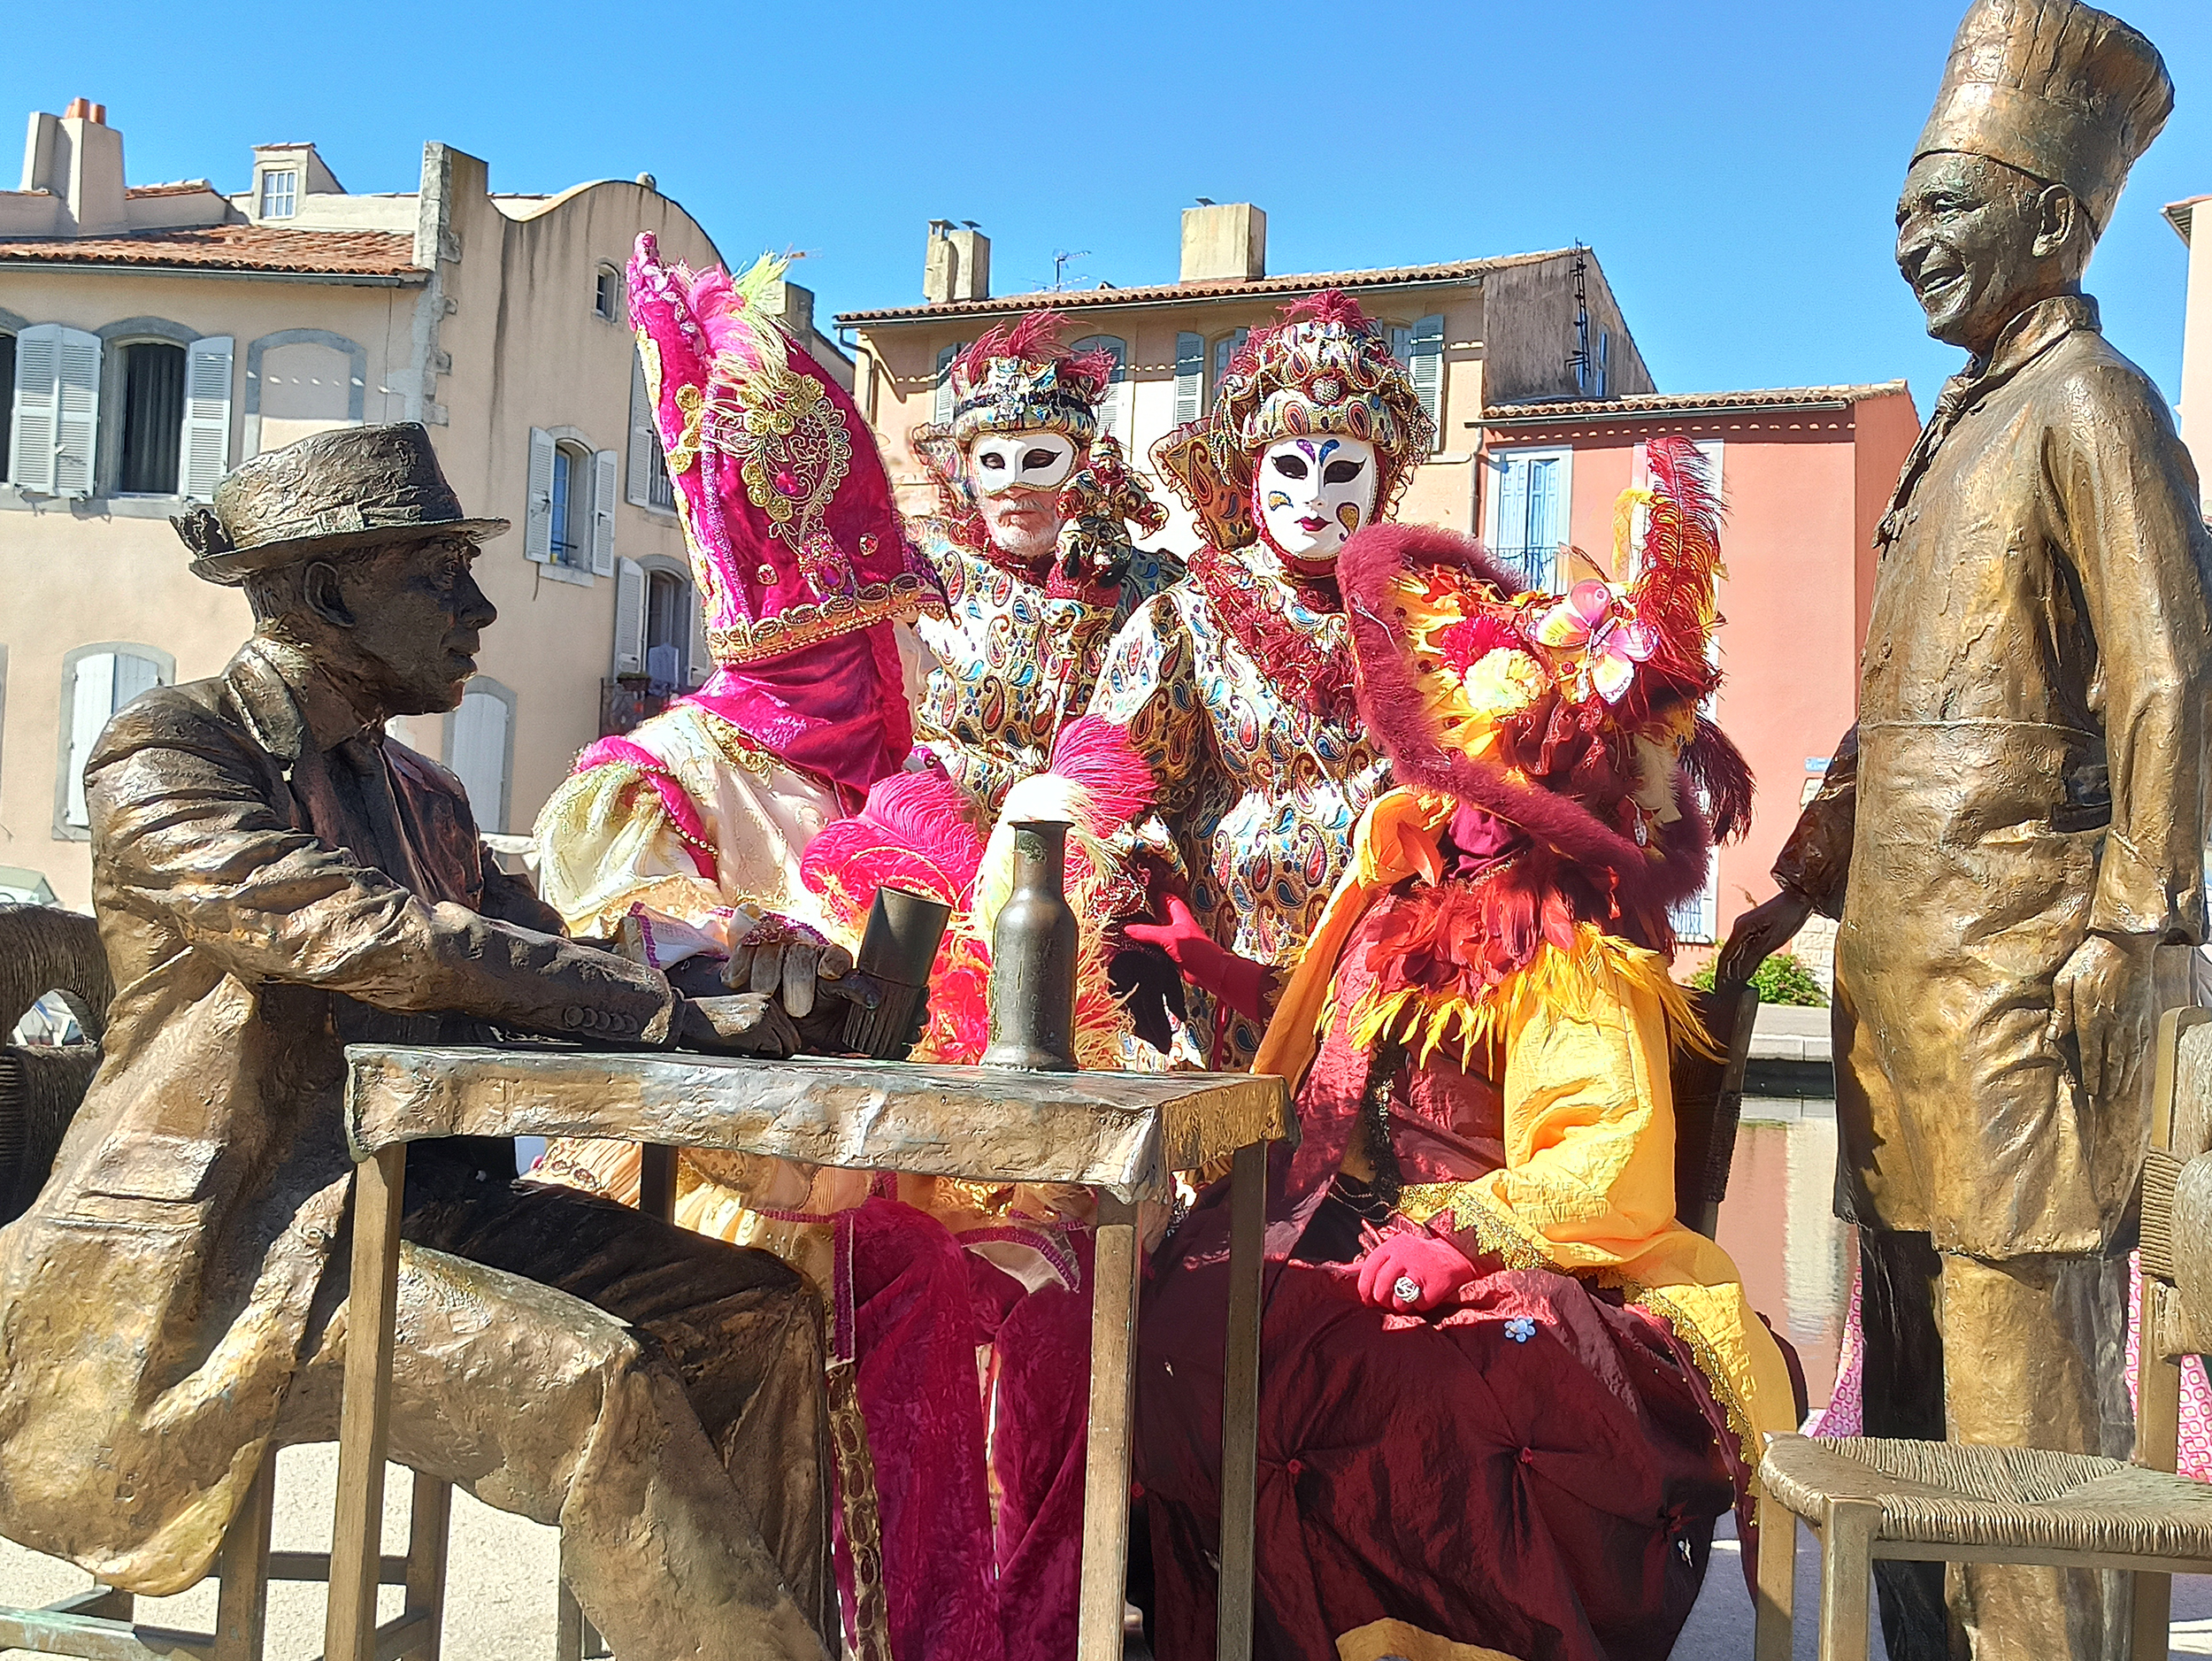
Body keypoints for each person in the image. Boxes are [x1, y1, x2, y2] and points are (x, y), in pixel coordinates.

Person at [0, 423, 838, 1661]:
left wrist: (741, 983)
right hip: (244, 1246)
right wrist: (662, 1008)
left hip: (421, 1209)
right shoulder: (169, 753)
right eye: (438, 574)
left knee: (759, 1313)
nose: (481, 606)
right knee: (590, 1382)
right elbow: (373, 937)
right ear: (328, 592)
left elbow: (549, 969)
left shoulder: (430, 799)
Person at [527, 238, 1103, 1661]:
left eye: (888, 645)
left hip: (877, 1154)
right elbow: (644, 998)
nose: (884, 680)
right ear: (783, 651)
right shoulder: (650, 780)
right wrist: (768, 958)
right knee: (891, 1273)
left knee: (1071, 1271)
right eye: (853, 652)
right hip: (697, 1183)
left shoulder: (891, 792)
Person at [1717, 4, 2211, 1656]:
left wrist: (2130, 921)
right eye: (1906, 201)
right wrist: (1795, 892)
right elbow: (1908, 714)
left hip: (2019, 1000)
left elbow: (2168, 676)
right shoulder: (1957, 429)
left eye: (1947, 202)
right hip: (1901, 1003)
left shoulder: (2095, 404)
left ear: (2060, 221)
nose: (1908, 235)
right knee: (1908, 1418)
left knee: (2015, 1447)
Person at [1138, 442, 1798, 1661]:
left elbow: (1609, 1152)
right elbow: (1333, 1054)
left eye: (1517, 770)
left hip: (1497, 1238)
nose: (1474, 795)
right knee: (1158, 1321)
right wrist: (1217, 971)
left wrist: (1455, 1239)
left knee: (1399, 1391)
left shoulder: (1573, 933)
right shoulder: (1398, 875)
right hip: (1321, 1214)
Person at [1088, 290, 1431, 1068]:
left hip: (1400, 977)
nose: (1313, 496)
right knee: (1247, 1179)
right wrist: (1187, 940)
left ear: (1382, 478)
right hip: (1235, 978)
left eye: (1341, 469)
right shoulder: (1190, 618)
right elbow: (1120, 792)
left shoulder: (1432, 615)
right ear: (1251, 472)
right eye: (1290, 465)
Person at [906, 312, 1175, 815]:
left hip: (1105, 848)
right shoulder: (923, 575)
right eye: (993, 463)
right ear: (968, 472)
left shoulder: (1158, 589)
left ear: (1084, 466)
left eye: (1038, 462)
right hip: (947, 835)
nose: (1014, 486)